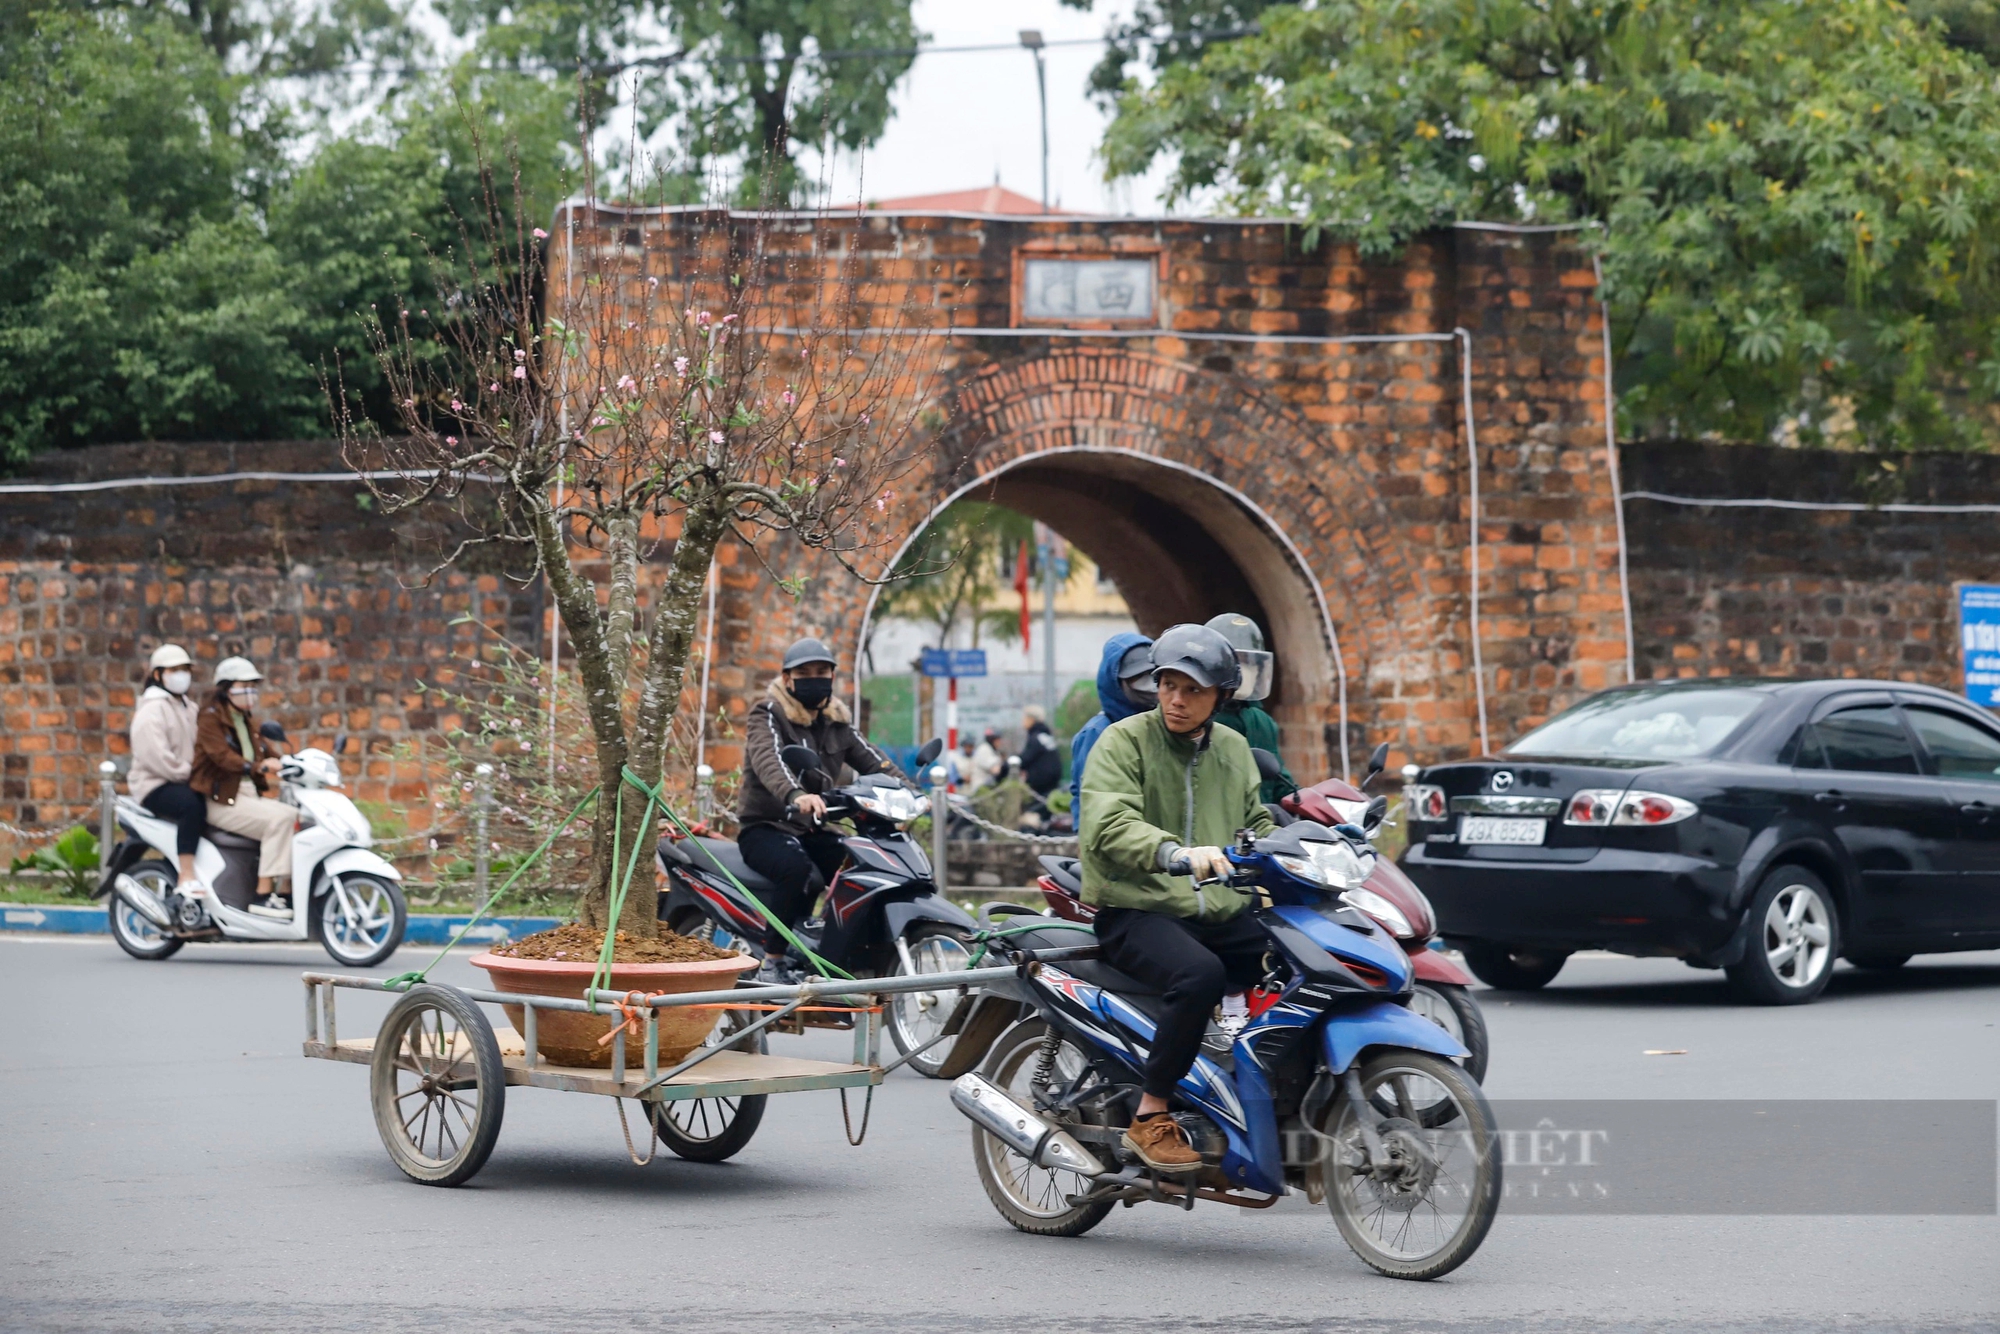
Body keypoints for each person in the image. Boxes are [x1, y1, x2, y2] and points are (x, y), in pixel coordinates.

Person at [1077, 623, 1276, 1174]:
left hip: (1217, 906)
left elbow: (1254, 820)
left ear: (1221, 696)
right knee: (1198, 975)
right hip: (1136, 905)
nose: (1177, 699)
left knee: (1293, 955)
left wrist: (1289, 841)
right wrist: (1172, 852)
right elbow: (1108, 822)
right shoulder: (1123, 740)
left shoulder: (1234, 749)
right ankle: (1151, 1114)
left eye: (1193, 690)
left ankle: (1254, 1079)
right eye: (1168, 685)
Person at [737, 638, 902, 980]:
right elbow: (769, 760)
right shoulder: (768, 714)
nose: (815, 678)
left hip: (814, 827)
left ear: (832, 676)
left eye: (822, 672)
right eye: (804, 673)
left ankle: (837, 954)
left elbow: (876, 764)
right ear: (787, 679)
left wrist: (909, 794)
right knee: (797, 869)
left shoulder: (837, 722)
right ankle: (773, 959)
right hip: (766, 827)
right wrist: (795, 794)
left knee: (859, 864)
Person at [189, 657, 295, 918]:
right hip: (221, 799)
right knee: (282, 819)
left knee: (298, 818)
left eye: (253, 686)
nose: (250, 693)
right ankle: (262, 895)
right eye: (243, 686)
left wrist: (290, 761)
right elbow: (222, 757)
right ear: (226, 688)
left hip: (246, 796)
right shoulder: (209, 719)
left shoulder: (245, 719)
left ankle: (288, 892)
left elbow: (264, 751)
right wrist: (258, 768)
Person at [127, 644, 205, 895]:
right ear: (158, 675)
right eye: (174, 670)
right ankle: (186, 874)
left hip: (182, 779)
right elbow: (157, 757)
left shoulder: (187, 707)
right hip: (154, 784)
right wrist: (189, 774)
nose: (181, 675)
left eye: (184, 669)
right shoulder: (152, 709)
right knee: (191, 805)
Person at [1205, 612, 1296, 804]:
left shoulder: (1262, 722)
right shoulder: (1199, 719)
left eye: (1251, 664)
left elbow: (1282, 784)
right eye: (1237, 663)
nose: (1246, 672)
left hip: (1266, 828)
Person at [1067, 633, 1154, 820]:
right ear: (1114, 681)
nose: (1147, 685)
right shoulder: (1097, 732)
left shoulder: (1162, 726)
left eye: (1152, 675)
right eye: (1137, 677)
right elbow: (1089, 800)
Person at [1017, 704, 1062, 798]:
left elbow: (1025, 759)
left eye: (1024, 718)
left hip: (1041, 788)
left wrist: (1005, 768)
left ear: (1031, 719)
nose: (1022, 721)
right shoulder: (1045, 736)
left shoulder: (1035, 738)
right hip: (1052, 784)